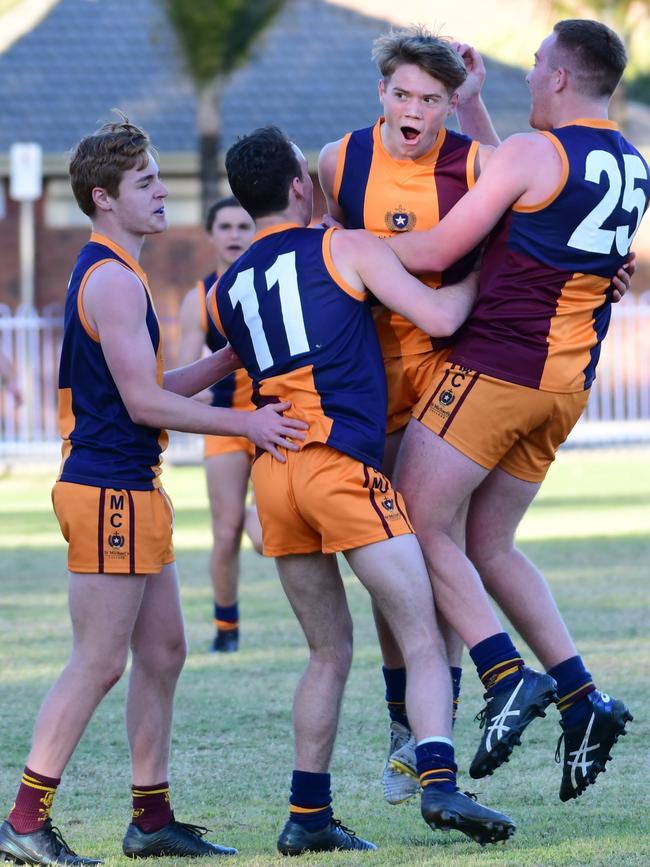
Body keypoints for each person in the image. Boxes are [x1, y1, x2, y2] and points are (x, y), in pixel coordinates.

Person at [0, 116, 307, 866]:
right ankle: (23, 819)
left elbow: (150, 384)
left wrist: (227, 356)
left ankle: (151, 820)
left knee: (164, 650)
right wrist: (244, 421)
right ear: (105, 198)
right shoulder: (109, 278)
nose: (162, 190)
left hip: (131, 488)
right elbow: (143, 404)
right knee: (100, 661)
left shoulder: (117, 269)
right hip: (107, 489)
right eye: (145, 182)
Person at [210, 124, 516, 854]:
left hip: (273, 474)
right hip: (339, 464)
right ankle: (438, 781)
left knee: (328, 651)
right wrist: (485, 271)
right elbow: (440, 315)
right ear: (297, 186)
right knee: (418, 632)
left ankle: (307, 815)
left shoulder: (227, 286)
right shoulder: (340, 244)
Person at [387, 19, 643, 801]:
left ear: (562, 77)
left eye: (536, 65)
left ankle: (505, 676)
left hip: (499, 366)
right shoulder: (632, 162)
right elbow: (537, 201)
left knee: (414, 516)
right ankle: (581, 696)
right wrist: (471, 112)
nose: (529, 75)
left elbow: (434, 251)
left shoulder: (538, 152)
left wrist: (332, 243)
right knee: (490, 544)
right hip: (565, 384)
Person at [318, 25, 492, 806]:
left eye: (432, 98)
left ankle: (435, 728)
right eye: (403, 95)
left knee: (436, 546)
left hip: (450, 381)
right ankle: (405, 723)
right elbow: (321, 253)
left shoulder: (473, 161)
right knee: (394, 565)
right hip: (365, 387)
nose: (415, 110)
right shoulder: (339, 160)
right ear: (381, 93)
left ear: (451, 103)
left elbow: (535, 228)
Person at [177, 196, 261, 653]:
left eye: (243, 226)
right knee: (225, 530)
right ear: (210, 235)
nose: (234, 235)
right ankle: (225, 628)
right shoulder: (199, 296)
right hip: (226, 423)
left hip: (275, 418)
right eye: (225, 226)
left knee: (268, 537)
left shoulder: (272, 281)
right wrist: (199, 387)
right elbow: (186, 362)